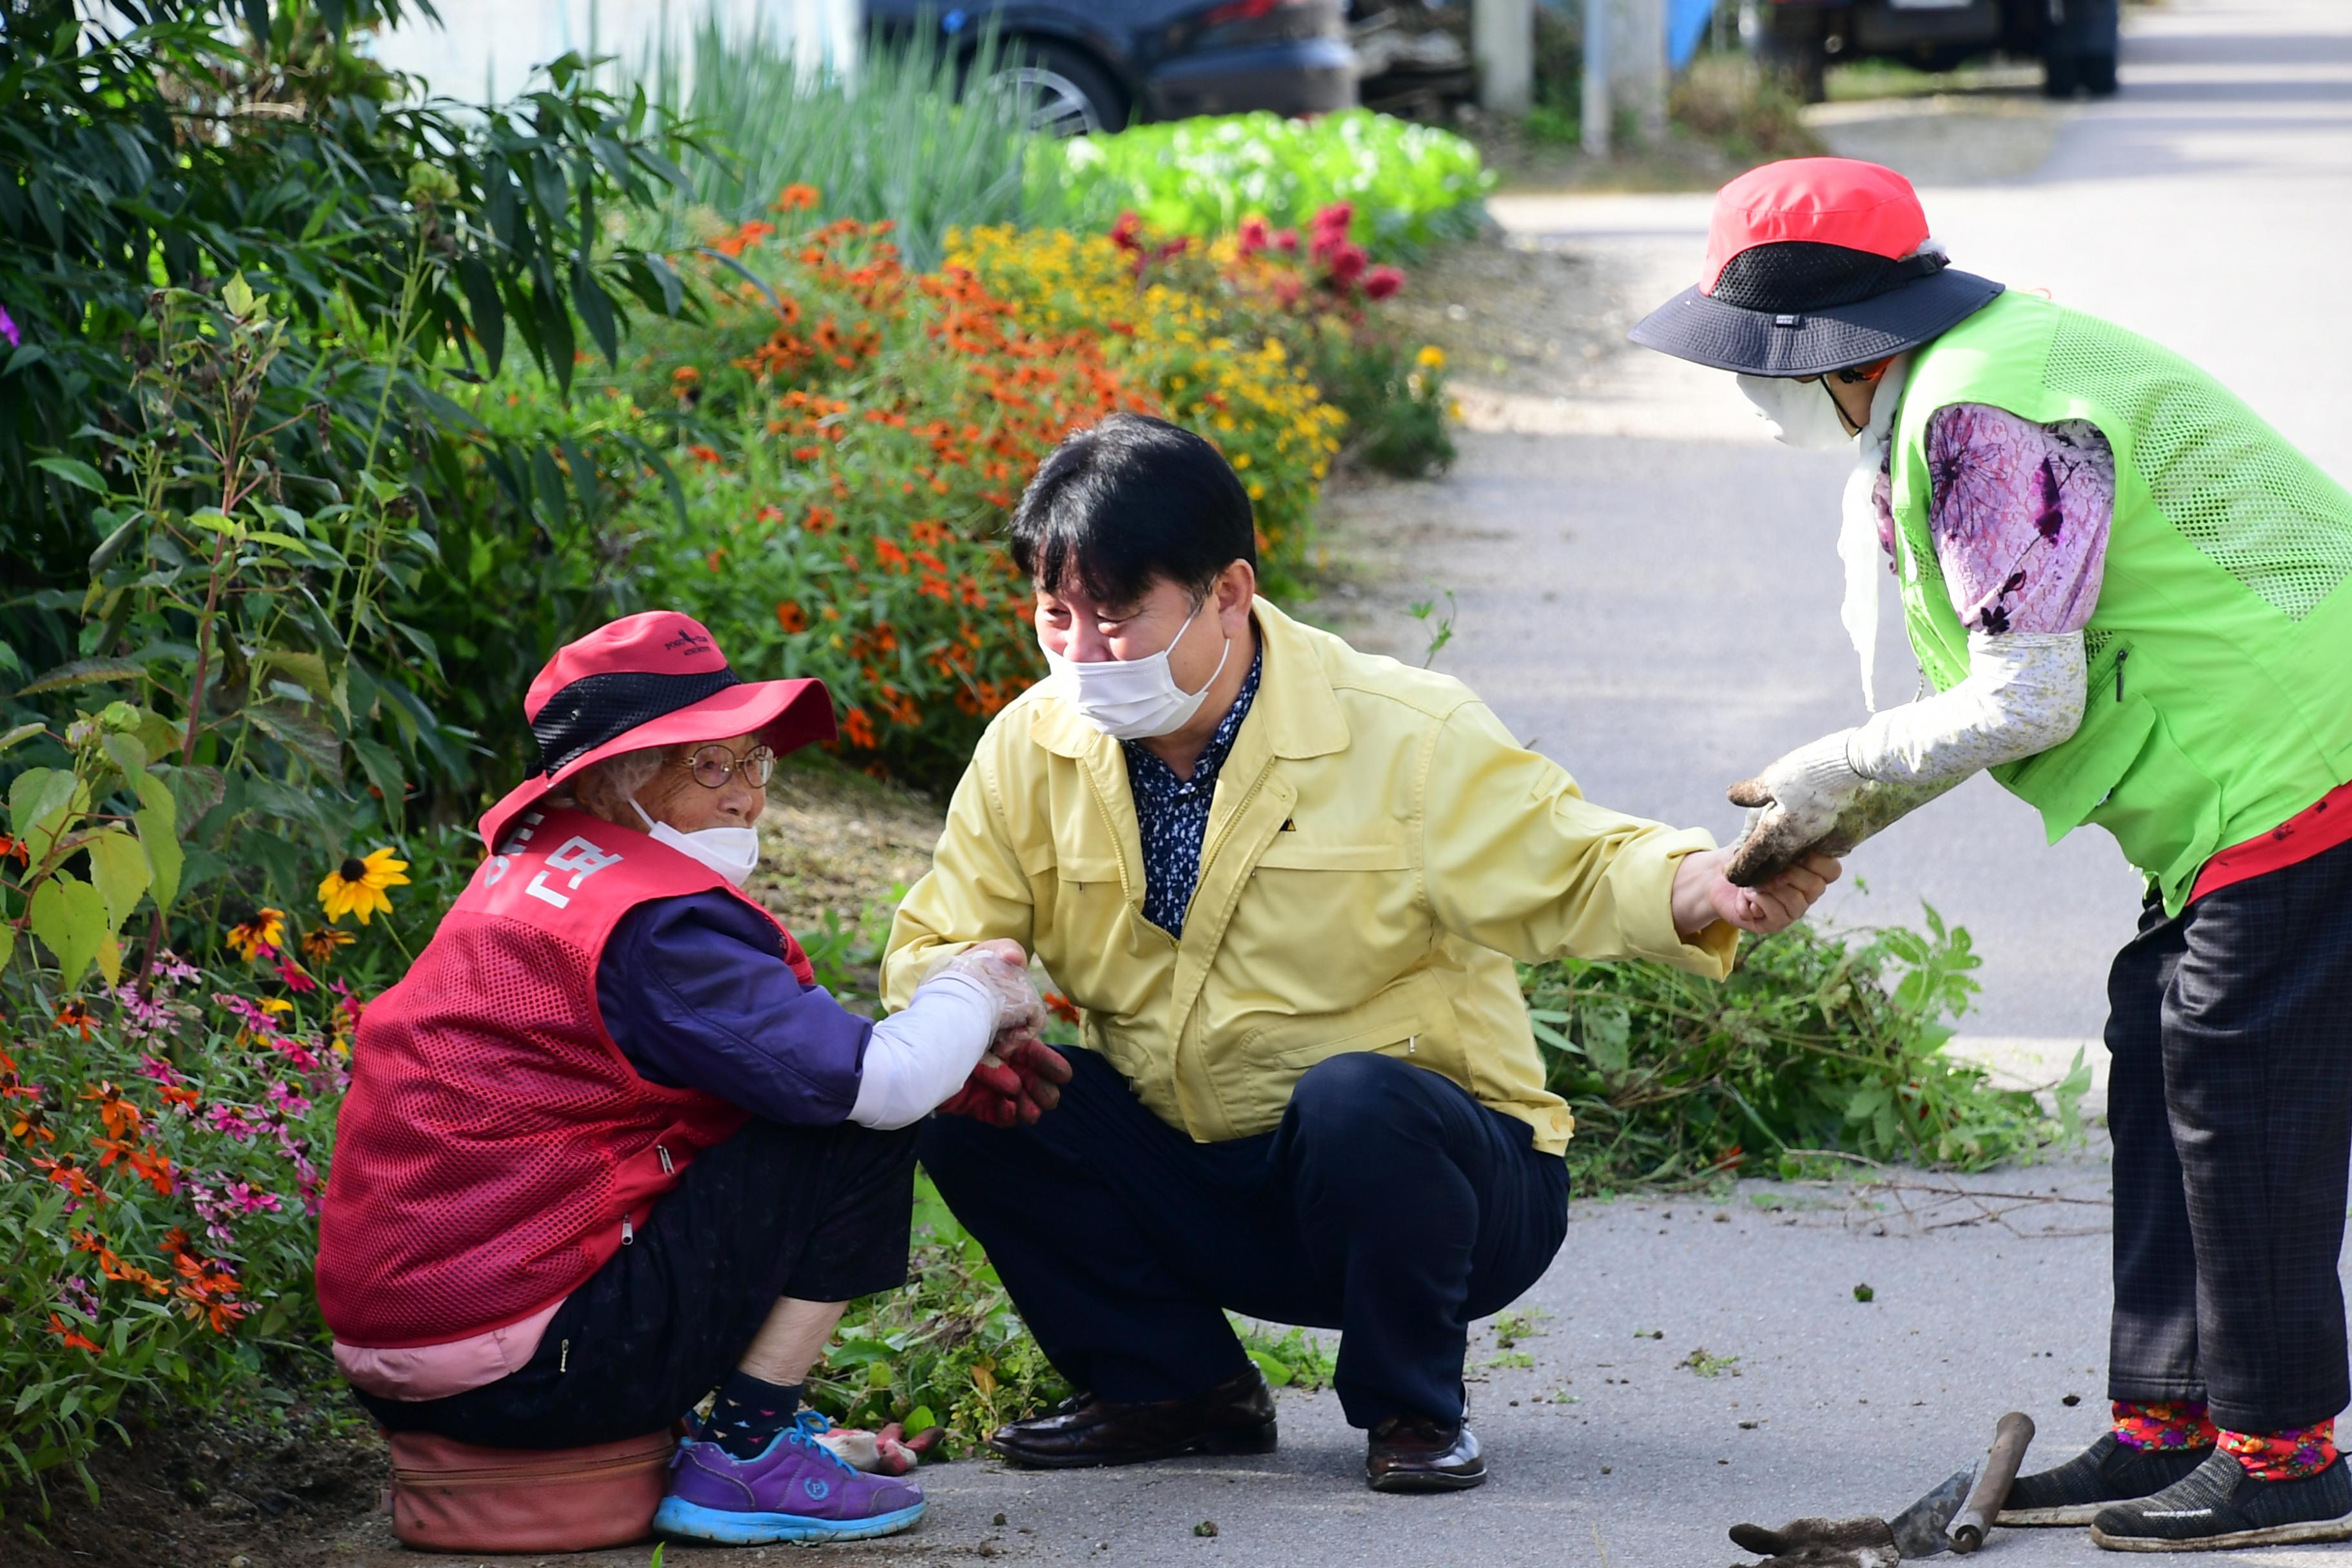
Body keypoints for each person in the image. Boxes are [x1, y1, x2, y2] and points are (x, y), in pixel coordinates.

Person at [881, 413, 1839, 1494]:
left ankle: (1412, 1408)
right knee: (967, 1089)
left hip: (1439, 1193)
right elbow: (945, 935)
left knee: (1357, 1102)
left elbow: (1569, 863)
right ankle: (1169, 1386)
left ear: (1228, 594)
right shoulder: (1030, 746)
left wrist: (1703, 882)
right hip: (1198, 1173)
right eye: (1056, 618)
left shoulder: (1402, 730)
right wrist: (972, 1004)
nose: (1081, 657)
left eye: (1116, 619)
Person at [1629, 157, 2352, 1552]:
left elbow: (2030, 698)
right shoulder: (1970, 372)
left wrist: (1828, 772)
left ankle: (2289, 1455)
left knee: (2232, 1062)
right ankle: (2170, 1424)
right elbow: (2001, 685)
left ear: (1818, 350)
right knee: (2156, 1035)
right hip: (2257, 765)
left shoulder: (1982, 411)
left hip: (2308, 748)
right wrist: (1815, 829)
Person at [315, 611, 1069, 1547]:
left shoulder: (539, 878)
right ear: (609, 780)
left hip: (425, 1360)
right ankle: (747, 1454)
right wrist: (973, 988)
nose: (748, 797)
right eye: (709, 767)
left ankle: (749, 1427)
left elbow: (718, 1076)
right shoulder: (654, 924)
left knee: (820, 1089)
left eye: (754, 760)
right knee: (849, 1119)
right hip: (524, 1371)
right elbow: (874, 1089)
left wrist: (939, 1061)